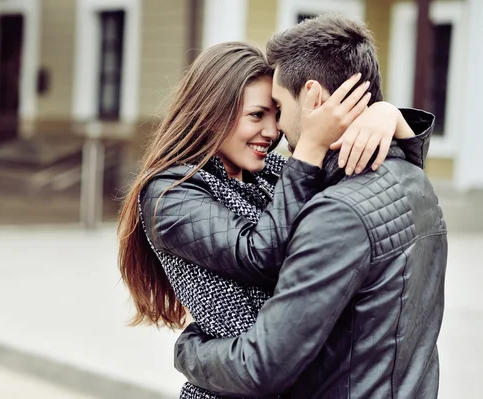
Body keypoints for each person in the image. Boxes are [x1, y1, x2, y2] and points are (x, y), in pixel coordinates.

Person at [118, 40, 433, 399]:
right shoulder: (170, 194)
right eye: (256, 116)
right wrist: (311, 148)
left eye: (276, 113)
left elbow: (377, 195)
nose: (273, 131)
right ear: (210, 112)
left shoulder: (272, 174)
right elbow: (260, 256)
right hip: (232, 389)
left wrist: (388, 117)